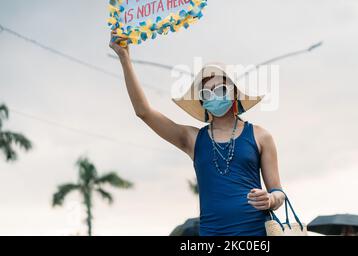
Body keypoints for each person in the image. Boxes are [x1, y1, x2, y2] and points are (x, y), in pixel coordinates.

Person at [109, 31, 287, 236]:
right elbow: (144, 112)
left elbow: (278, 192)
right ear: (202, 101)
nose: (213, 96)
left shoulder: (260, 136)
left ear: (235, 92)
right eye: (206, 93)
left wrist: (271, 199)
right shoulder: (193, 139)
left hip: (256, 234)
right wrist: (125, 59)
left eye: (220, 89)